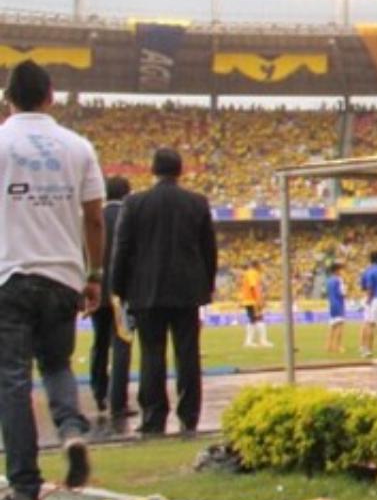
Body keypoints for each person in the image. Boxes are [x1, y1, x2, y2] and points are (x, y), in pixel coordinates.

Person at [0, 61, 102, 500]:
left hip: (11, 275)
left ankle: (24, 488)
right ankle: (71, 429)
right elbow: (95, 217)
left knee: (13, 381)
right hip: (63, 275)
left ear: (8, 99)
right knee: (57, 364)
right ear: (51, 96)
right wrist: (95, 274)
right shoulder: (77, 146)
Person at [111, 147, 217, 436]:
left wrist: (118, 288)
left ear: (152, 171)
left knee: (151, 354)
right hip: (187, 291)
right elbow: (209, 250)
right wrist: (206, 286)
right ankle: (189, 415)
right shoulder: (197, 202)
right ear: (180, 171)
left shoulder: (135, 203)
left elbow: (122, 250)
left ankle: (154, 417)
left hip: (147, 291)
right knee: (188, 354)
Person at [88, 174, 134, 432]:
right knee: (122, 345)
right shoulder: (128, 217)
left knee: (99, 343)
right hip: (121, 293)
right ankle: (118, 401)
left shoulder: (96, 217)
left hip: (98, 289)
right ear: (127, 194)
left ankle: (99, 392)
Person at [237, 260, 271, 349]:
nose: (262, 267)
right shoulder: (252, 273)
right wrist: (259, 300)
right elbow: (254, 287)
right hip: (252, 300)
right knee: (258, 319)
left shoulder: (248, 273)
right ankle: (261, 341)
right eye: (261, 265)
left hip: (249, 300)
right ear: (256, 265)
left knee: (253, 320)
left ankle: (250, 341)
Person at [324, 262, 348, 354]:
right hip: (338, 303)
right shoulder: (339, 280)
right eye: (341, 269)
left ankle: (328, 346)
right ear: (337, 270)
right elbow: (342, 292)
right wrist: (346, 292)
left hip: (331, 304)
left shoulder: (328, 280)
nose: (342, 271)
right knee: (340, 326)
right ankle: (338, 347)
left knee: (332, 326)